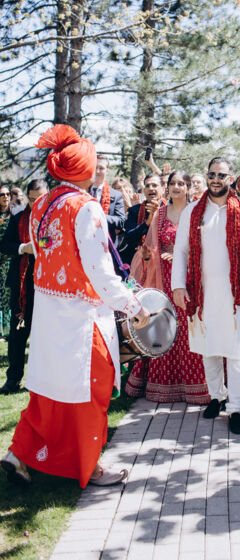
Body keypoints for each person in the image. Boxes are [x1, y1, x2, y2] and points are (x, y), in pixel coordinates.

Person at [1, 125, 149, 488]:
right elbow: (99, 271)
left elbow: (44, 254)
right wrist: (134, 306)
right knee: (92, 389)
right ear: (85, 168)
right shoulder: (86, 207)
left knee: (48, 393)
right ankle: (89, 466)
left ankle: (18, 454)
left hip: (48, 313)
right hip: (82, 316)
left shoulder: (40, 205)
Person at [171, 157, 240, 434]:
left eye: (222, 175)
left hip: (236, 293)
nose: (216, 179)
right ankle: (216, 396)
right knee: (209, 346)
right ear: (207, 176)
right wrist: (178, 285)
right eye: (212, 174)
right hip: (202, 292)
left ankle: (236, 407)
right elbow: (181, 250)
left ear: (230, 178)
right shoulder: (192, 211)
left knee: (237, 350)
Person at [126, 171, 209, 404]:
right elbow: (152, 247)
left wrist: (182, 257)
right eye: (172, 183)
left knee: (189, 329)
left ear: (189, 187)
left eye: (181, 183)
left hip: (191, 281)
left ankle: (195, 386)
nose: (176, 187)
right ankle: (164, 385)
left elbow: (206, 246)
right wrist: (147, 255)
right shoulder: (160, 214)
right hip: (163, 281)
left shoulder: (197, 212)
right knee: (166, 327)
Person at [0, 179, 48, 394]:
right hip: (22, 284)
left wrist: (43, 246)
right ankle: (13, 379)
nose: (35, 204)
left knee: (45, 335)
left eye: (40, 199)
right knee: (18, 334)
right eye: (31, 199)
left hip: (48, 284)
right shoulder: (19, 216)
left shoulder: (55, 217)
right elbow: (4, 245)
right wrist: (23, 248)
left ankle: (44, 380)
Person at [119, 173, 162, 267]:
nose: (151, 188)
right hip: (138, 262)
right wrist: (147, 223)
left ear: (162, 188)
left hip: (162, 261)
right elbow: (128, 237)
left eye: (154, 185)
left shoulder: (169, 209)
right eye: (147, 186)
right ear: (144, 190)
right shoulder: (135, 211)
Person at [89, 154, 126, 244]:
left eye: (101, 168)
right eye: (95, 167)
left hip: (106, 243)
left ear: (107, 171)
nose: (97, 171)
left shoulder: (116, 195)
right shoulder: (83, 191)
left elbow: (121, 221)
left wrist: (101, 217)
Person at [0, 184, 12, 336]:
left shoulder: (14, 214)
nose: (5, 197)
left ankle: (7, 330)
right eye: (2, 194)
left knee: (7, 296)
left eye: (7, 194)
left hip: (9, 262)